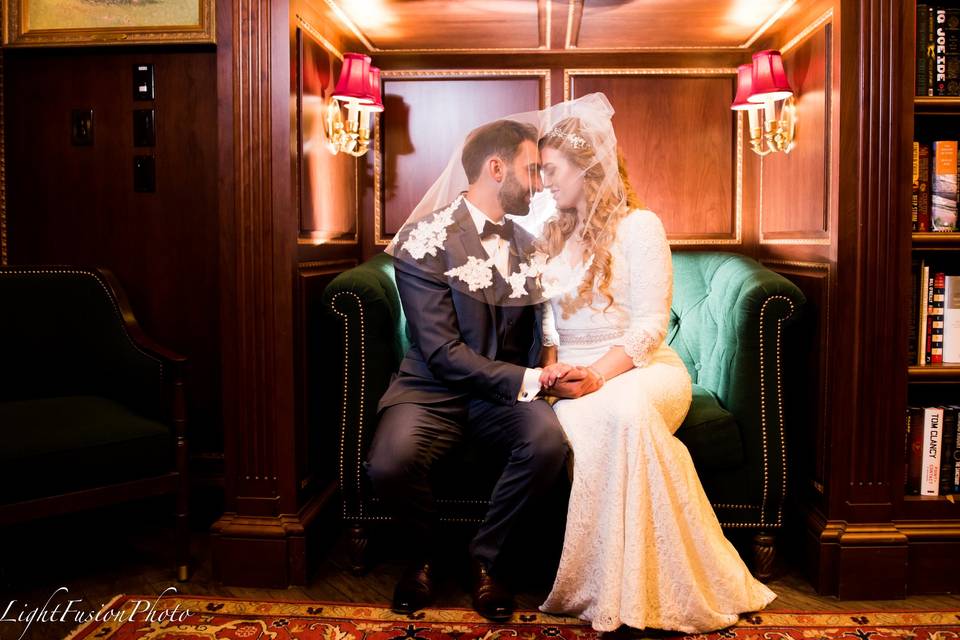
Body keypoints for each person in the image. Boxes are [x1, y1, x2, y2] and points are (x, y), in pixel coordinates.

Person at [533, 96, 777, 633]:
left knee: (630, 417)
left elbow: (648, 326)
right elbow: (547, 326)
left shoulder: (640, 227)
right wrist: (551, 372)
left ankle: (666, 588)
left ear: (586, 168)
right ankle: (612, 588)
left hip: (643, 369)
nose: (544, 182)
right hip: (572, 378)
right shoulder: (547, 236)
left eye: (552, 170)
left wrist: (598, 373)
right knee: (603, 421)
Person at [365, 119, 570, 621]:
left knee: (548, 445)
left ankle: (487, 560)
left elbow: (546, 322)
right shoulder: (423, 238)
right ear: (496, 169)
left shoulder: (531, 245)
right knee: (388, 463)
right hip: (432, 389)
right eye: (532, 170)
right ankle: (422, 559)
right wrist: (527, 380)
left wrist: (550, 365)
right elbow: (439, 350)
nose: (540, 183)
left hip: (501, 397)